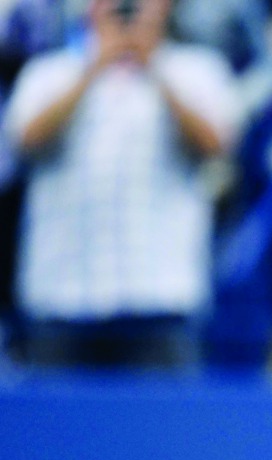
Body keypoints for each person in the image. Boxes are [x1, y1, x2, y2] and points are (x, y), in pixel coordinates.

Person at [4, 0, 241, 370]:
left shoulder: (197, 69)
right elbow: (26, 142)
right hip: (62, 295)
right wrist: (96, 65)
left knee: (164, 425)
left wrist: (153, 67)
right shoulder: (49, 72)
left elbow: (215, 145)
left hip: (160, 295)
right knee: (60, 425)